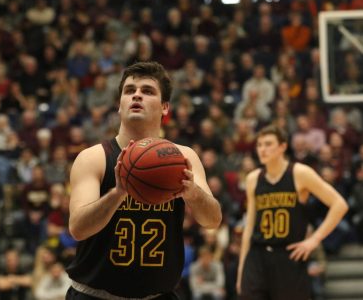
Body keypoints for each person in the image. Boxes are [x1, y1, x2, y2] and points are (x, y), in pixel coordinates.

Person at [66, 61, 222, 299]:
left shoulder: (183, 157)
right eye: (129, 91)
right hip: (95, 294)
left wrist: (193, 193)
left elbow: (212, 220)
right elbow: (78, 228)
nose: (136, 95)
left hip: (158, 295)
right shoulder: (93, 158)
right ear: (119, 105)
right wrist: (118, 193)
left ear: (165, 107)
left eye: (147, 91)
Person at [236, 125, 348, 300]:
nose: (262, 149)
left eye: (268, 144)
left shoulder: (299, 173)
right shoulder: (253, 179)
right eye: (259, 145)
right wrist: (242, 269)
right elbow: (249, 226)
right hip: (257, 257)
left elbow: (339, 204)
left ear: (282, 147)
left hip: (288, 256)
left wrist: (314, 240)